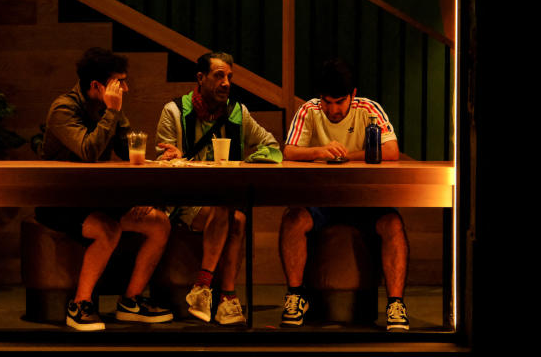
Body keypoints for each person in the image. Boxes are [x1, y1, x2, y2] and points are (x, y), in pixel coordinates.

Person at [35, 47, 174, 331]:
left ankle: (130, 301)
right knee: (107, 229)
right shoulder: (64, 109)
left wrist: (160, 160)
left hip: (95, 195)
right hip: (60, 199)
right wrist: (112, 111)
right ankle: (80, 305)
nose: (125, 88)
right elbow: (88, 151)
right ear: (97, 86)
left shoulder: (112, 109)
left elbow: (127, 152)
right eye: (118, 82)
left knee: (159, 223)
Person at [278, 58, 411, 331]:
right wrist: (319, 152)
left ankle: (396, 304)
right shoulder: (309, 111)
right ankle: (294, 296)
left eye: (339, 102)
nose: (333, 109)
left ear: (352, 95)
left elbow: (391, 151)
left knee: (393, 225)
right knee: (293, 220)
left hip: (364, 200)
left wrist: (345, 157)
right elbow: (288, 151)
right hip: (321, 203)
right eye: (327, 102)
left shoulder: (368, 109)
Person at [155, 51, 282, 325]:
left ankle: (216, 294)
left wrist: (247, 162)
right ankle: (220, 294)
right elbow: (162, 161)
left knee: (236, 216)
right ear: (200, 78)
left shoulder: (238, 112)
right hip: (184, 202)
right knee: (230, 209)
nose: (226, 83)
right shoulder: (174, 112)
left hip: (222, 202)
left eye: (229, 77)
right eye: (219, 76)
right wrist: (170, 156)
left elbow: (272, 147)